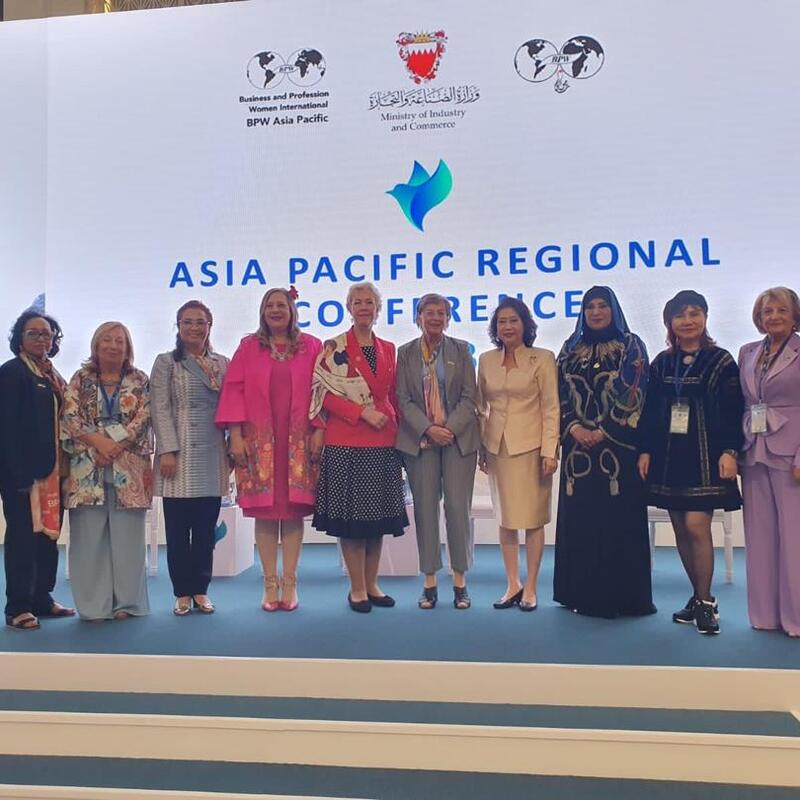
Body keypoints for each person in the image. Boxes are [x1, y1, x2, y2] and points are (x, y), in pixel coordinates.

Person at [637, 290, 743, 635]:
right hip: (669, 457)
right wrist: (645, 450)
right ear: (669, 322)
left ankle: (707, 602)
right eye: (680, 315)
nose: (687, 321)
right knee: (681, 528)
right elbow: (650, 411)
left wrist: (730, 451)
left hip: (707, 457)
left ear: (705, 318)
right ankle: (697, 597)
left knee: (697, 526)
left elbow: (734, 410)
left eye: (694, 313)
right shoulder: (662, 363)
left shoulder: (721, 360)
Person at [216, 288, 321, 612]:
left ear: (292, 310)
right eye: (269, 305)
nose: (275, 310)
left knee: (291, 513)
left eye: (281, 305)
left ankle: (290, 583)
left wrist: (320, 430)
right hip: (259, 440)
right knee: (264, 513)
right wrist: (235, 435)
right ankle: (269, 584)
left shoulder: (312, 346)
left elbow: (322, 391)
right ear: (262, 311)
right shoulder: (249, 347)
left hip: (298, 440)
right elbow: (234, 390)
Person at [553, 287, 655, 618]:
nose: (596, 312)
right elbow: (557, 393)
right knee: (582, 522)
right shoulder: (569, 349)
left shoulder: (631, 345)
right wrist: (574, 428)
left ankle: (624, 598)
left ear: (614, 309)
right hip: (578, 452)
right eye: (589, 307)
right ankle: (581, 595)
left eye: (602, 306)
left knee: (617, 523)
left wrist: (604, 430)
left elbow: (635, 389)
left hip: (619, 450)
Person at [310, 281, 408, 613]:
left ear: (378, 309)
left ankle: (372, 583)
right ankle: (356, 588)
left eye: (369, 302)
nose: (364, 307)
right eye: (358, 302)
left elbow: (392, 395)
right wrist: (361, 412)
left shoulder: (389, 348)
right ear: (349, 308)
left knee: (377, 521)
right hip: (347, 441)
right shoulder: (333, 347)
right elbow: (322, 394)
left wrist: (399, 430)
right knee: (352, 522)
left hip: (383, 441)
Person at [61, 321, 152, 622]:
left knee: (129, 540)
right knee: (89, 541)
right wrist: (100, 444)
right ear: (96, 345)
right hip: (88, 468)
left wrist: (114, 445)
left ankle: (127, 603)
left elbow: (144, 417)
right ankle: (94, 606)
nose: (113, 345)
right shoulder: (80, 379)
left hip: (130, 467)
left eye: (119, 341)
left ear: (127, 348)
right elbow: (70, 416)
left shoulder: (139, 379)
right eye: (107, 340)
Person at [396, 293, 479, 610]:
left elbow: (470, 397)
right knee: (425, 510)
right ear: (418, 317)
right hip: (421, 441)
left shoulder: (462, 350)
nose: (435, 317)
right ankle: (429, 582)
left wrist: (449, 429)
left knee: (457, 508)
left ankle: (460, 582)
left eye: (441, 313)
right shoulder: (405, 353)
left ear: (448, 318)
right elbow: (403, 399)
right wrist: (429, 429)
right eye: (428, 312)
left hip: (458, 440)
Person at [477, 298, 559, 611]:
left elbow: (551, 408)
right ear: (495, 328)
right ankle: (513, 583)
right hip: (497, 447)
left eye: (513, 320)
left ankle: (532, 587)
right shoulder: (485, 360)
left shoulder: (543, 358)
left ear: (525, 324)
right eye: (502, 322)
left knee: (533, 519)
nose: (508, 327)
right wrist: (482, 448)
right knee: (506, 518)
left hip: (532, 448)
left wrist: (550, 451)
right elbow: (480, 407)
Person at [151, 301, 229, 616]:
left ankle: (201, 590)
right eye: (187, 322)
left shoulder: (222, 363)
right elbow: (159, 407)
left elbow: (230, 408)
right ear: (178, 326)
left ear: (210, 326)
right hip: (177, 456)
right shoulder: (166, 362)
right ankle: (182, 592)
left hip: (212, 453)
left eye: (200, 322)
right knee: (178, 532)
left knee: (205, 531)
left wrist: (231, 447)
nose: (194, 328)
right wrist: (167, 450)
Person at [0, 310, 75, 630]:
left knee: (47, 537)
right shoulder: (12, 372)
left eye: (47, 334)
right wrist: (16, 475)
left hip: (52, 471)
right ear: (20, 338)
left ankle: (42, 598)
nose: (42, 338)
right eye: (34, 333)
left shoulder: (50, 373)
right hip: (23, 475)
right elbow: (6, 427)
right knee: (22, 540)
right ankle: (18, 607)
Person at [738, 287, 800, 638]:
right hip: (753, 450)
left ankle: (796, 617)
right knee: (759, 538)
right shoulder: (748, 352)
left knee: (794, 539)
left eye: (781, 310)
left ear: (794, 316)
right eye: (767, 311)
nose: (773, 316)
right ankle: (764, 615)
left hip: (792, 455)